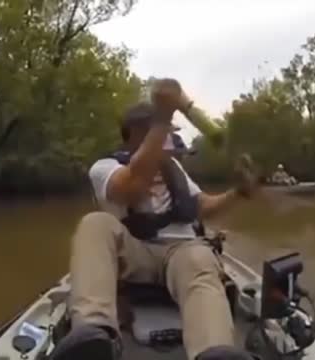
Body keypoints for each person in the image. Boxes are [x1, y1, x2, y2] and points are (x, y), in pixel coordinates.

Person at [50, 79, 259, 360]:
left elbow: (202, 207)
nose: (170, 139)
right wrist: (162, 119)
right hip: (133, 254)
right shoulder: (105, 167)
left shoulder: (176, 171)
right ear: (137, 135)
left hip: (182, 254)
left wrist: (239, 193)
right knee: (94, 224)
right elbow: (130, 188)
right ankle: (94, 337)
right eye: (164, 133)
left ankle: (214, 351)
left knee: (199, 257)